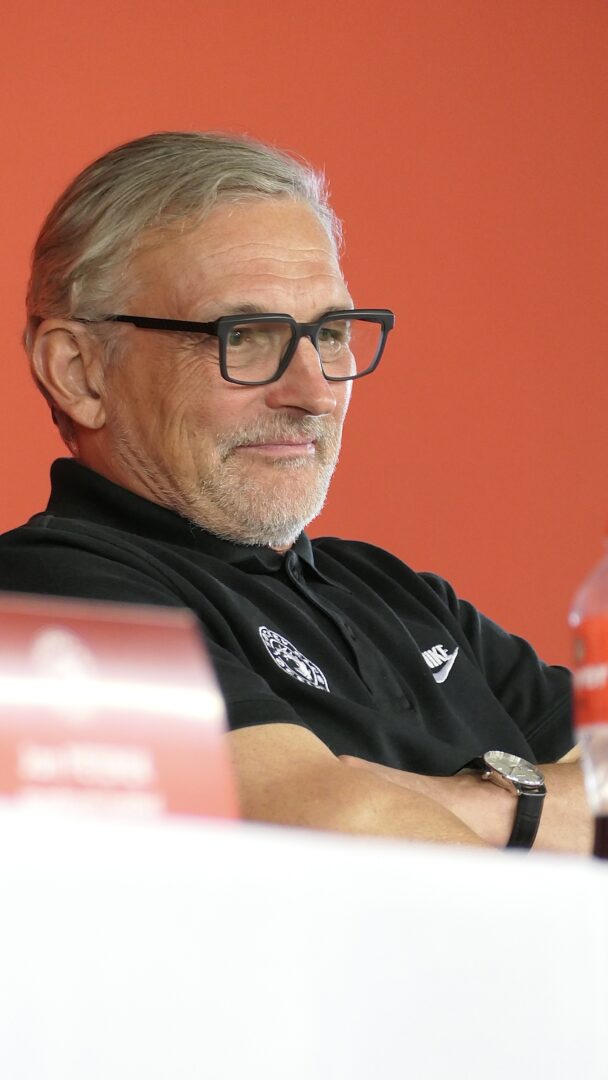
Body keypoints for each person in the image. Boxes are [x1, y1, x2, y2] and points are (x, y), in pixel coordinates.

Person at [0, 132, 590, 851]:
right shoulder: (42, 594)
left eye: (331, 332)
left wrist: (471, 804)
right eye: (246, 335)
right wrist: (551, 815)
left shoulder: (403, 598)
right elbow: (338, 840)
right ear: (79, 372)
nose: (315, 393)